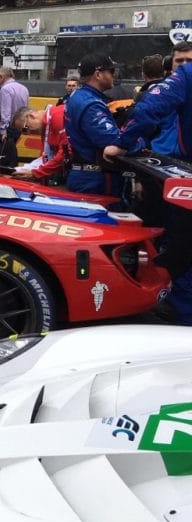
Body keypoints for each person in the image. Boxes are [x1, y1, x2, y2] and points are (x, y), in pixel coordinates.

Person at [104, 41, 192, 323]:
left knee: (181, 247)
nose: (184, 65)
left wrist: (121, 144)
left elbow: (148, 111)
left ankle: (182, 317)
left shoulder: (185, 78)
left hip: (180, 179)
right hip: (170, 174)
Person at [63, 52, 123, 196]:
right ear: (98, 74)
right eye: (111, 71)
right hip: (94, 180)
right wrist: (140, 141)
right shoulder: (90, 104)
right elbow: (113, 140)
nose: (113, 75)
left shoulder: (77, 96)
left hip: (84, 174)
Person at [0, 65, 29, 139]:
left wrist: (3, 131)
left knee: (2, 149)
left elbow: (5, 112)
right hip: (19, 127)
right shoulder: (24, 88)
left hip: (8, 129)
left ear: (1, 77)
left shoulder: (5, 89)